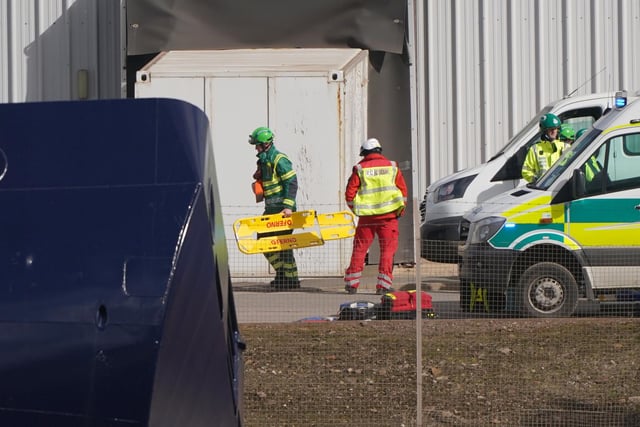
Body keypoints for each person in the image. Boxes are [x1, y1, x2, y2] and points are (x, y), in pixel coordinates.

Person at [344, 138, 408, 295]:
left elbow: (349, 194)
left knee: (360, 250)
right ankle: (383, 286)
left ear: (364, 153)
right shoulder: (392, 167)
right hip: (389, 217)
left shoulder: (360, 168)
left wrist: (357, 210)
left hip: (367, 218)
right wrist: (400, 210)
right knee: (387, 251)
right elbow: (403, 191)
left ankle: (352, 284)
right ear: (379, 151)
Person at [248, 126, 300, 289]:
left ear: (266, 144)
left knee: (283, 244)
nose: (256, 148)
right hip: (271, 210)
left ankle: (291, 279)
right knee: (263, 241)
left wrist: (288, 207)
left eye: (257, 145)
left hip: (283, 211)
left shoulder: (279, 159)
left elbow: (291, 182)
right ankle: (282, 274)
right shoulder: (264, 160)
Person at [521, 113, 567, 183]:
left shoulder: (566, 147)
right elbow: (526, 171)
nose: (554, 131)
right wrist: (536, 180)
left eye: (555, 129)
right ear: (545, 131)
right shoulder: (535, 149)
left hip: (561, 188)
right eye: (551, 129)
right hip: (543, 189)